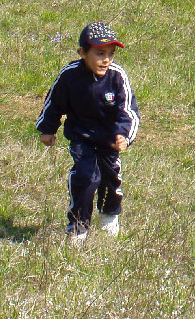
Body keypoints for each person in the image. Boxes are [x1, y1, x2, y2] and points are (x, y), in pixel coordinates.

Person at [37, 21, 140, 244]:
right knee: (86, 177)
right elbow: (54, 103)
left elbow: (129, 111)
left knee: (110, 178)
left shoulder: (117, 77)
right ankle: (78, 227)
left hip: (109, 139)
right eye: (100, 53)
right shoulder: (70, 76)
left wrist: (124, 136)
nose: (106, 60)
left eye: (111, 54)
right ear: (82, 52)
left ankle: (109, 216)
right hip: (81, 136)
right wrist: (47, 129)